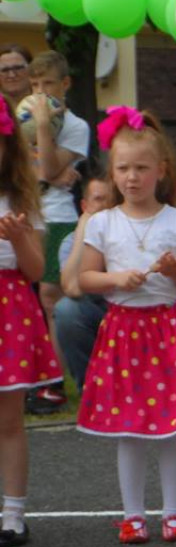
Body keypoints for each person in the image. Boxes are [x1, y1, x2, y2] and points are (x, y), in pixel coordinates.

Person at [77, 107, 176, 544]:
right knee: (130, 430)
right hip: (124, 331)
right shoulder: (102, 222)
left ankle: (174, 514)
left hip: (168, 330)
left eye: (141, 168)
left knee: (173, 428)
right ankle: (133, 515)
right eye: (123, 168)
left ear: (161, 170)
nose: (132, 177)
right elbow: (85, 278)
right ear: (112, 172)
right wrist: (117, 279)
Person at [0, 93, 62, 547]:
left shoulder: (19, 199)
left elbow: (37, 270)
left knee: (9, 420)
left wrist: (20, 239)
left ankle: (13, 514)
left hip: (10, 310)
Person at [23, 51, 91, 413]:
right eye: (34, 84)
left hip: (56, 217)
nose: (39, 92)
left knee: (51, 298)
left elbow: (49, 169)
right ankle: (23, 375)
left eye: (47, 83)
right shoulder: (20, 118)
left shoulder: (75, 126)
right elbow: (14, 169)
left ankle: (51, 382)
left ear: (64, 84)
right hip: (24, 212)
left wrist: (44, 127)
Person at [53, 176, 114, 394]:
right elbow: (72, 288)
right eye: (99, 199)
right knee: (66, 310)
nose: (106, 206)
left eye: (112, 200)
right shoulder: (71, 241)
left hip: (131, 311)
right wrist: (83, 230)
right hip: (96, 311)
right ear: (84, 205)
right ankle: (92, 392)